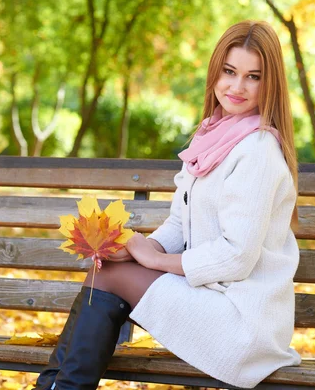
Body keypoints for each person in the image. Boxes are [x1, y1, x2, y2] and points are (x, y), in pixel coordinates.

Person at [34, 20, 301, 390]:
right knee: (107, 270)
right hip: (210, 301)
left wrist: (154, 260)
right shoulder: (212, 136)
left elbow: (237, 257)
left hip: (243, 323)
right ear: (215, 71)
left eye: (252, 77)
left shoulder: (257, 151)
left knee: (107, 276)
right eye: (229, 71)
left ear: (269, 83)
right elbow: (179, 225)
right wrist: (139, 250)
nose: (237, 87)